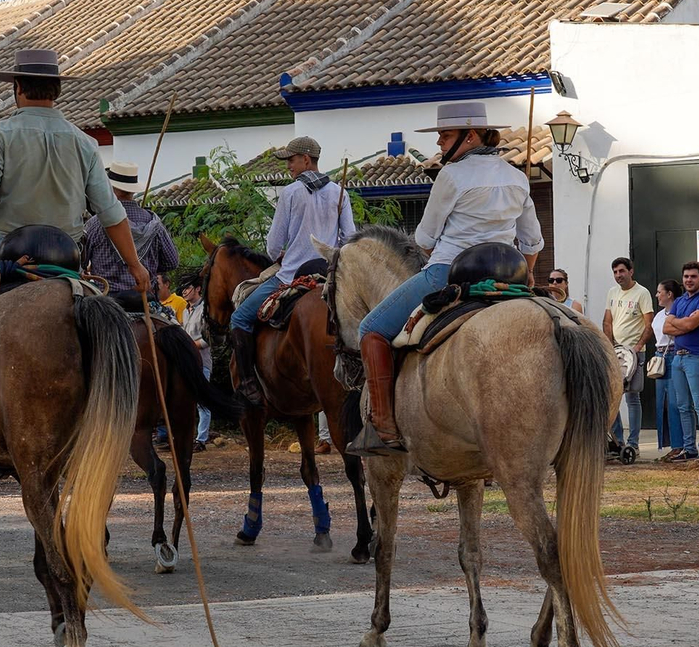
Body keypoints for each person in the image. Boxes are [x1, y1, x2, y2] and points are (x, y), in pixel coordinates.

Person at [0, 49, 149, 461]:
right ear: (55, 91)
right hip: (67, 260)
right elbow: (111, 214)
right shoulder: (84, 142)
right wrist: (136, 266)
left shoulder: (0, 134)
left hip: (7, 252)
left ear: (17, 88)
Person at [352, 102, 541, 455]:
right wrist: (528, 273)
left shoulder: (450, 176)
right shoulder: (517, 177)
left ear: (470, 137)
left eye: (445, 135)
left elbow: (424, 240)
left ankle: (383, 428)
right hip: (507, 278)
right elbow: (531, 242)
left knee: (371, 329)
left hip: (448, 273)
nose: (439, 143)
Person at [229, 134, 355, 407]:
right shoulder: (339, 192)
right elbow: (349, 238)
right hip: (329, 273)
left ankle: (248, 384)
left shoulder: (290, 192)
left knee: (239, 318)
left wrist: (281, 256)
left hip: (293, 275)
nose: (288, 166)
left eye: (291, 160)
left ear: (306, 159)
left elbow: (274, 244)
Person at [82, 160, 179, 295]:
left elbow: (81, 263)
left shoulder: (95, 224)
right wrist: (149, 266)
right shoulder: (155, 223)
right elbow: (172, 262)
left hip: (107, 301)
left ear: (110, 189)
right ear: (132, 190)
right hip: (144, 298)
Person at [662, 261, 699, 462]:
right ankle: (689, 448)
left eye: (693, 276)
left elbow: (692, 323)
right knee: (682, 406)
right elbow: (666, 328)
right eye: (686, 277)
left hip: (697, 357)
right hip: (678, 357)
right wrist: (683, 324)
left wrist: (681, 323)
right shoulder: (679, 301)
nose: (689, 280)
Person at [604, 256, 654, 460]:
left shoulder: (642, 293)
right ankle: (617, 441)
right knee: (614, 396)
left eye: (622, 271)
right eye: (615, 272)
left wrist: (639, 346)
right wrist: (609, 345)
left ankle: (634, 443)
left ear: (631, 271)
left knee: (633, 397)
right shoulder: (612, 293)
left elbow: (648, 324)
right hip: (616, 352)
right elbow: (607, 321)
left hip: (634, 352)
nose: (618, 275)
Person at [651, 280, 684, 456]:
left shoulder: (678, 312)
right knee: (662, 403)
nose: (657, 295)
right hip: (660, 356)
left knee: (674, 403)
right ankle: (669, 443)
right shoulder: (658, 315)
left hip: (672, 354)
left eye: (659, 292)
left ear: (669, 294)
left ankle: (679, 444)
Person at [179, 276, 213, 452]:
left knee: (202, 402)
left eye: (188, 288)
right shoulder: (186, 310)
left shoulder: (205, 309)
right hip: (186, 360)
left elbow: (209, 339)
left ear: (198, 289)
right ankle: (187, 437)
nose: (184, 291)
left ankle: (201, 439)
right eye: (183, 289)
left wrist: (188, 345)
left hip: (202, 361)